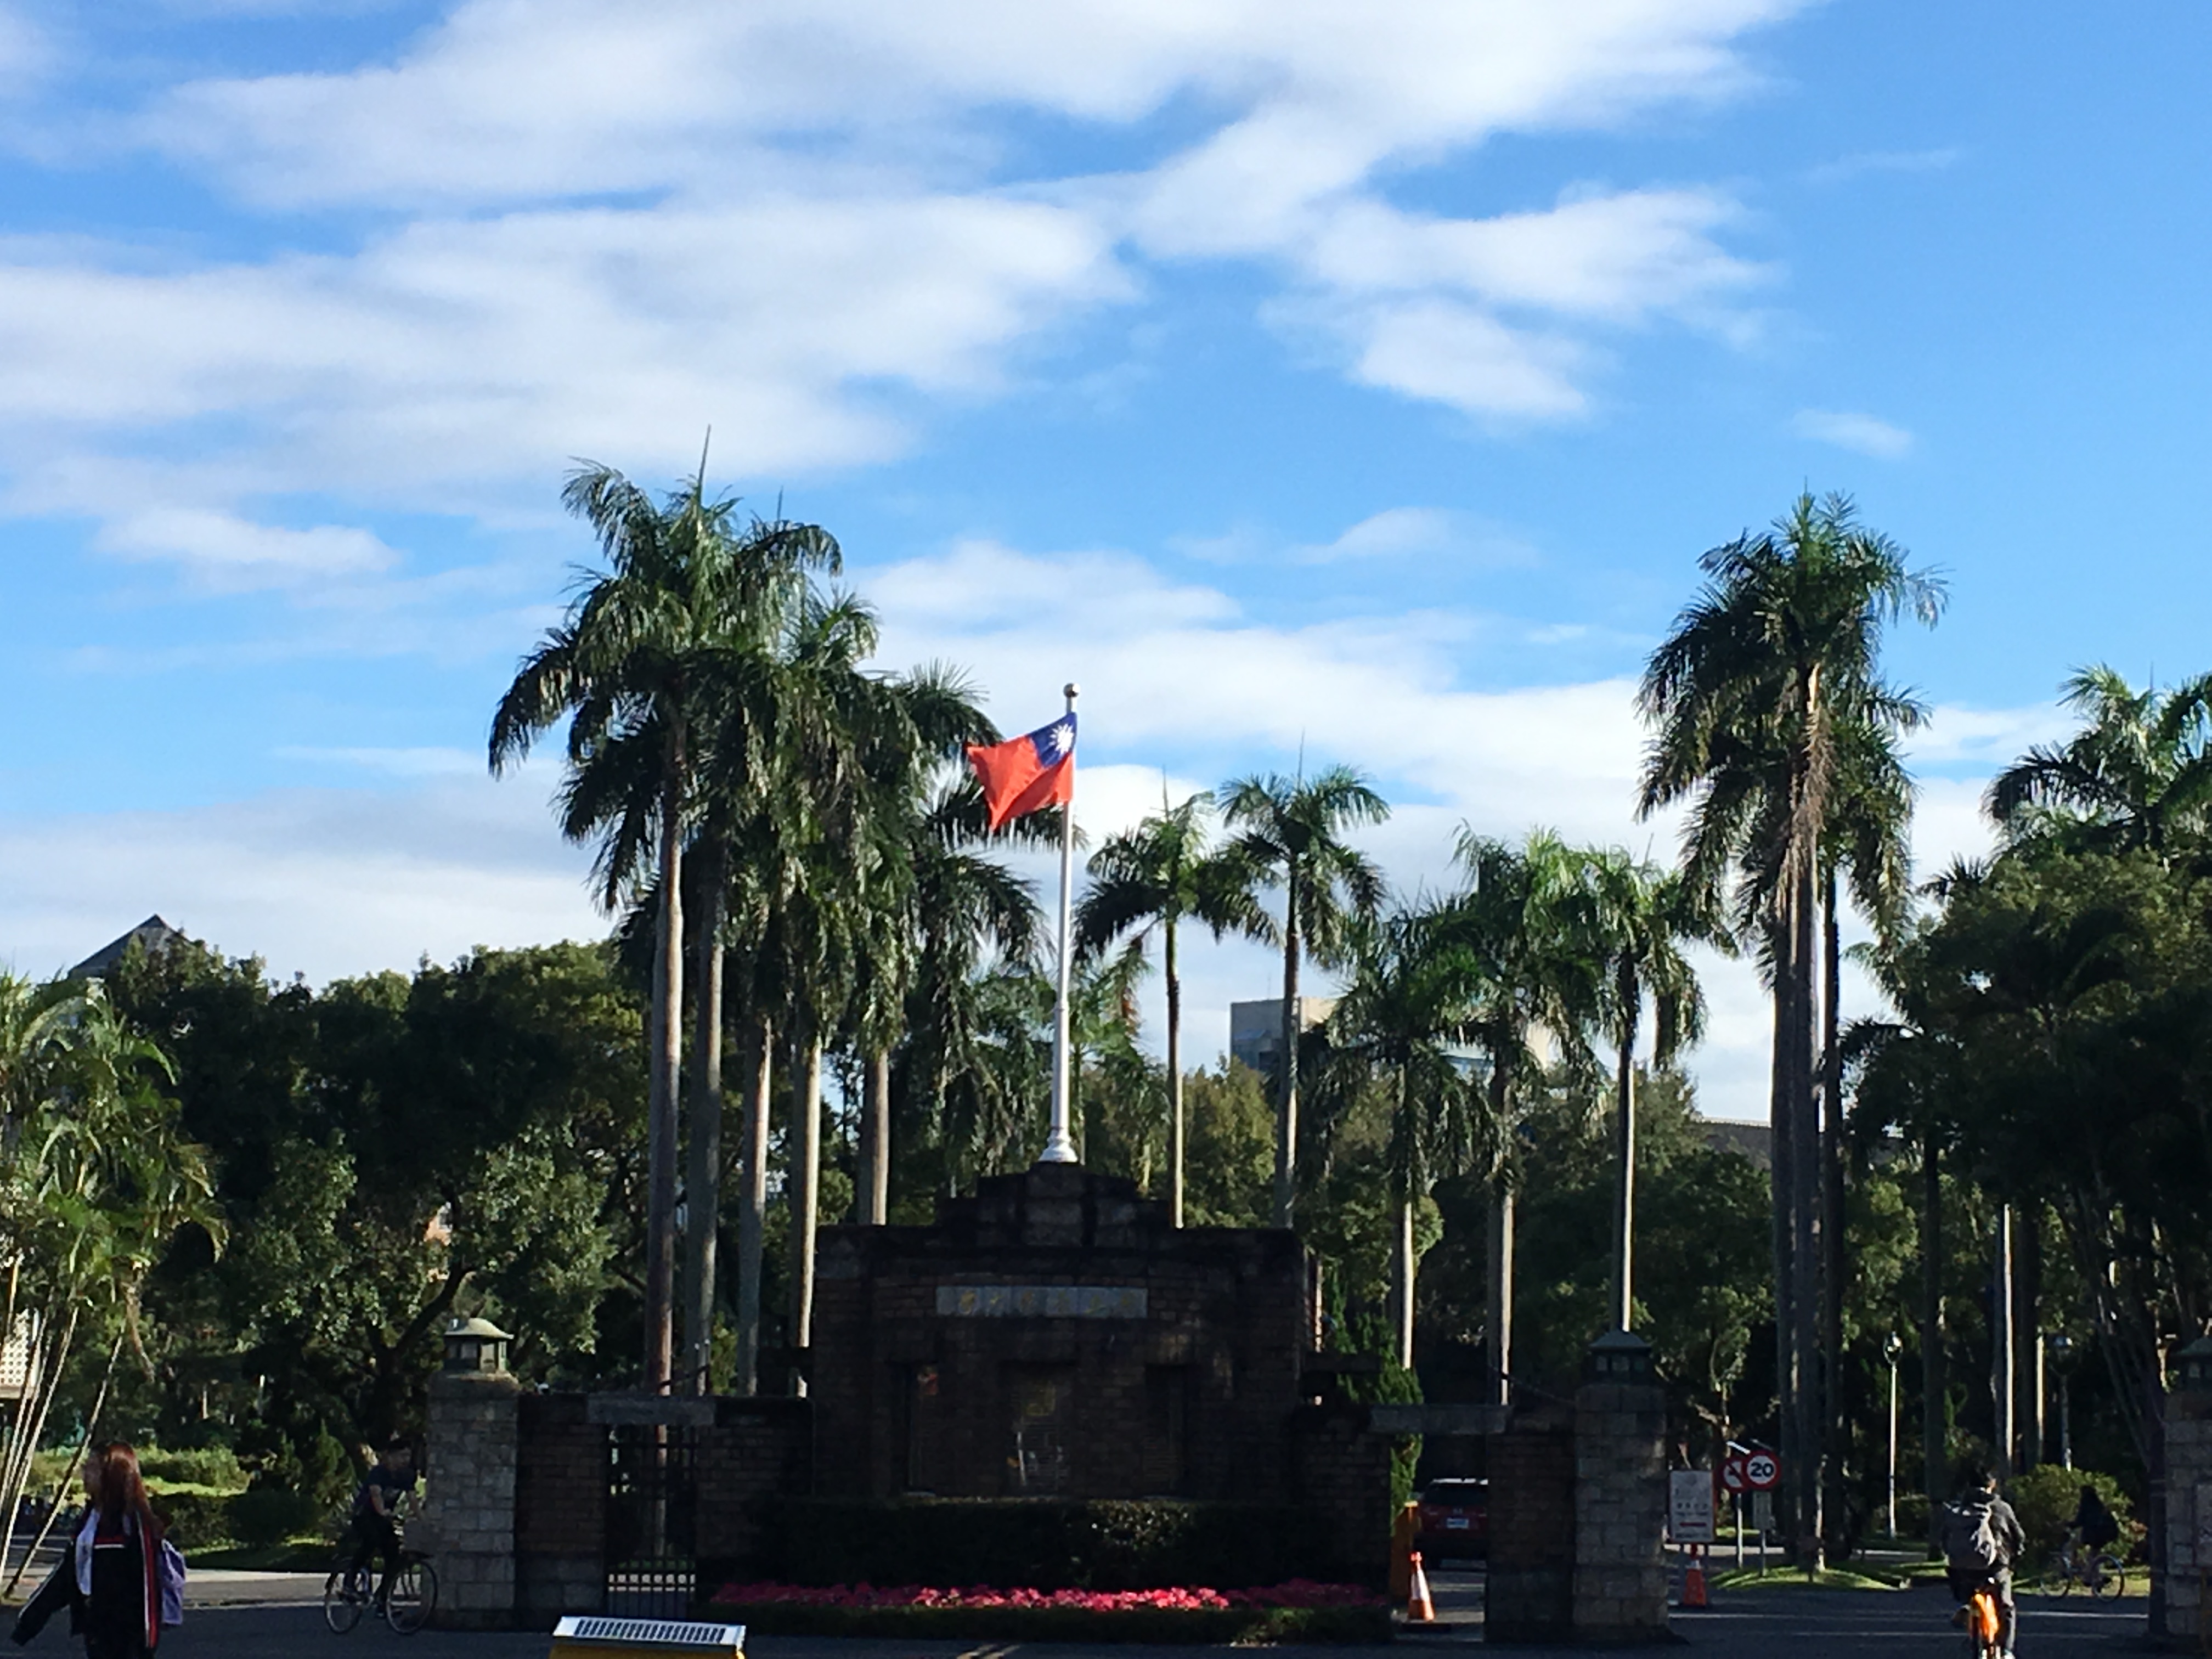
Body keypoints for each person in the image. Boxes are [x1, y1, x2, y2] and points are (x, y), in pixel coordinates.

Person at [10, 1443, 166, 1658]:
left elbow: (149, 1587)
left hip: (126, 1638)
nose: (84, 1473)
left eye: (92, 1468)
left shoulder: (132, 1524)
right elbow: (66, 1576)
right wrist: (30, 1622)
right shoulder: (90, 1519)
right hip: (95, 1629)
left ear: (113, 1474)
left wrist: (146, 1642)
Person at [1942, 1465, 2025, 1657]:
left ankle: (1965, 1605)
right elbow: (2018, 1536)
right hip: (1995, 1568)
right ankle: (2007, 1651)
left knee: (1965, 1590)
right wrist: (2015, 1557)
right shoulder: (2001, 1508)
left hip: (1961, 1570)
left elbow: (1945, 1539)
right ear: (1992, 1485)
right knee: (2007, 1607)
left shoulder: (1958, 1509)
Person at [345, 1439, 415, 1608]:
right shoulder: (379, 1473)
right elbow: (376, 1494)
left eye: (408, 1456)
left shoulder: (407, 1475)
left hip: (383, 1519)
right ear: (390, 1457)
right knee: (371, 1541)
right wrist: (383, 1511)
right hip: (365, 1515)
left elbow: (413, 1500)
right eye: (401, 1456)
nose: (405, 1460)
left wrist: (422, 1519)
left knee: (395, 1556)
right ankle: (350, 1582)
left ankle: (383, 1598)